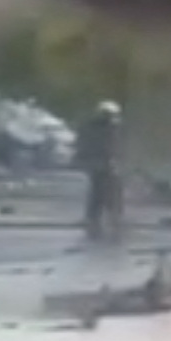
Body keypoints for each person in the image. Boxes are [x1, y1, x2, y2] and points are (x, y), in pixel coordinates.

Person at [76, 100, 125, 241]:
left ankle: (97, 218)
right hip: (101, 163)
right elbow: (110, 145)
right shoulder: (108, 128)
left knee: (99, 191)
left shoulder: (94, 127)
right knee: (106, 191)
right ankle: (107, 216)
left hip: (98, 164)